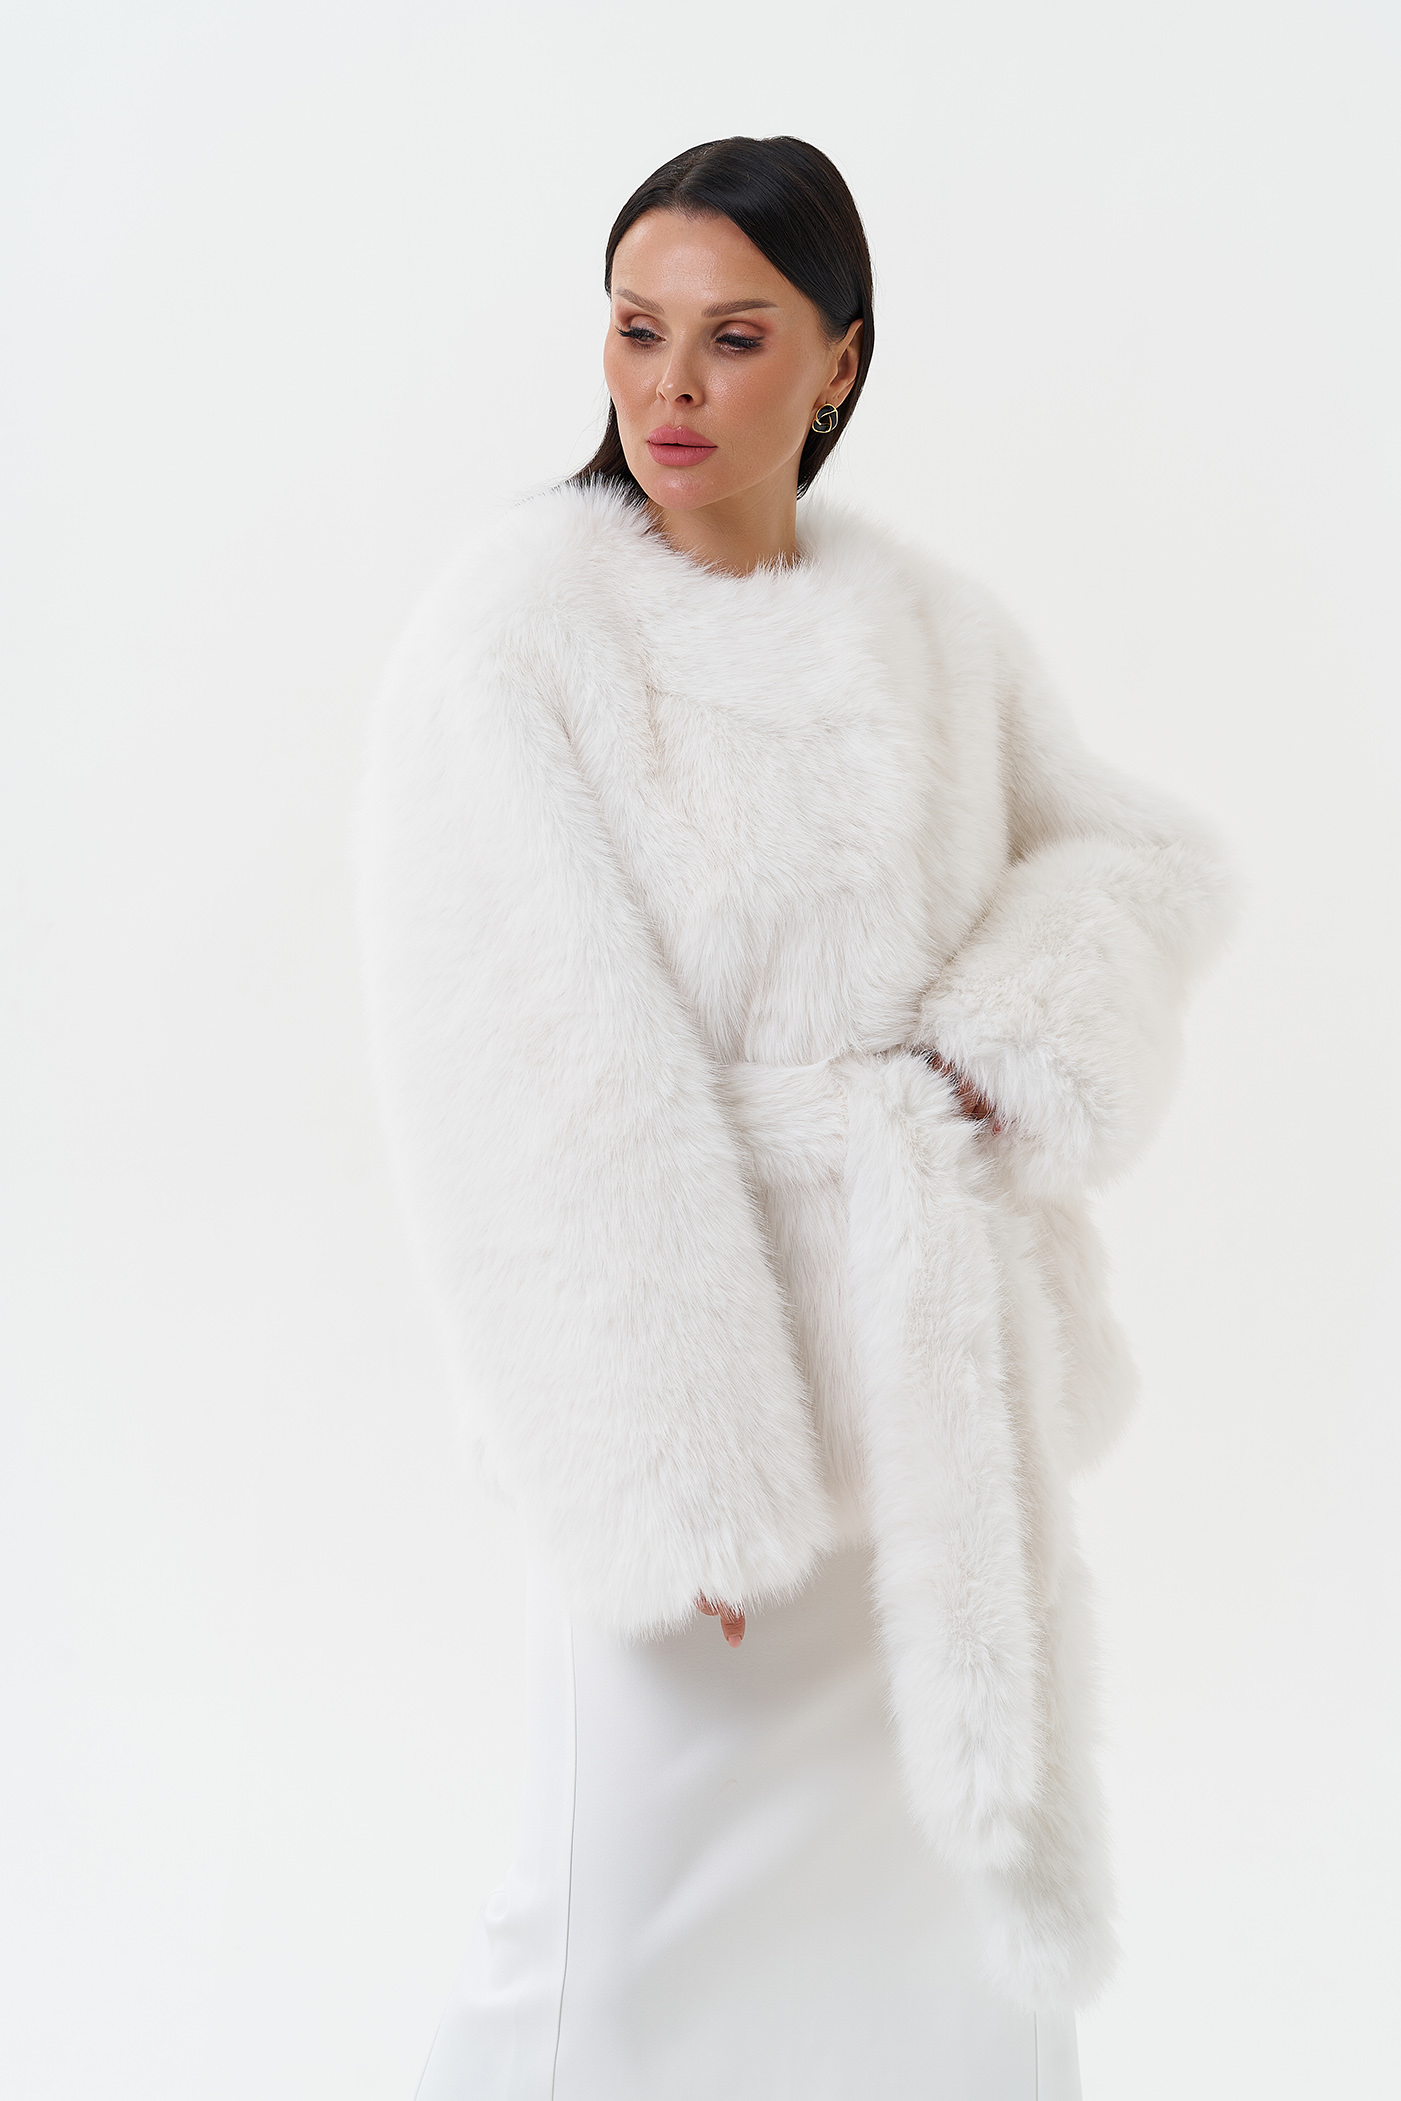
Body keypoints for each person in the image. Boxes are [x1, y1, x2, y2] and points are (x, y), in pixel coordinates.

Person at [356, 134, 1236, 2101]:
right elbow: (525, 1085)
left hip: (929, 1409)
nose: (668, 386)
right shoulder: (517, 637)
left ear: (837, 361)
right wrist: (684, 1471)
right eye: (635, 329)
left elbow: (1135, 859)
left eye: (733, 337)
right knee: (600, 1947)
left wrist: (999, 1044)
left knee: (937, 1960)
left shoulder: (930, 627)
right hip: (692, 1420)